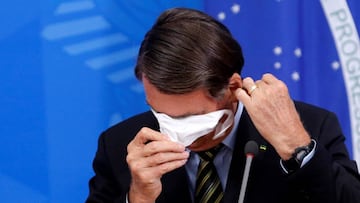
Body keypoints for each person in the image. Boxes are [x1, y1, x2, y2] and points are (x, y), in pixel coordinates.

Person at [86, 7, 360, 203]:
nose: (174, 134)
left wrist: (296, 146)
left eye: (189, 119)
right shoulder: (120, 144)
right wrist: (139, 197)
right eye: (161, 114)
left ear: (233, 88)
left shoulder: (310, 126)